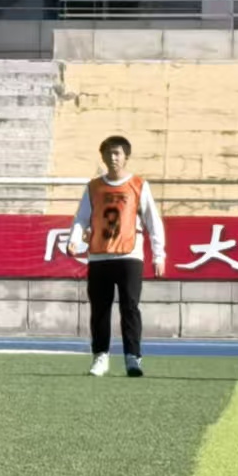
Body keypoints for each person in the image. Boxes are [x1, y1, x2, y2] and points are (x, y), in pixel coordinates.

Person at [69, 135, 166, 378]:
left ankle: (133, 357)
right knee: (99, 309)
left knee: (130, 307)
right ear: (102, 157)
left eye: (117, 153)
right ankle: (100, 356)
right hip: (99, 256)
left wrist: (159, 254)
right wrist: (74, 238)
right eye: (108, 153)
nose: (112, 158)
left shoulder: (138, 185)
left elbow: (153, 221)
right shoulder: (93, 187)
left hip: (129, 255)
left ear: (126, 156)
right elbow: (82, 217)